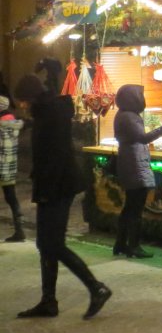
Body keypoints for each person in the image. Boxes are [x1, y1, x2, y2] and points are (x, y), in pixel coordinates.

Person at [13, 73, 111, 319]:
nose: (22, 106)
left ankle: (96, 287)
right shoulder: (45, 113)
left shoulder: (51, 116)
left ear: (33, 97)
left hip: (57, 189)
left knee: (52, 244)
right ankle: (49, 301)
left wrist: (46, 192)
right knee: (45, 245)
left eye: (24, 100)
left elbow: (55, 158)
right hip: (51, 187)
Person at [112, 84, 162, 258]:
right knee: (135, 208)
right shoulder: (130, 117)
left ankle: (120, 244)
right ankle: (133, 246)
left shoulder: (122, 115)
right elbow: (143, 138)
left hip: (129, 162)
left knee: (129, 207)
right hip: (135, 164)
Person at [1, 94, 27, 241]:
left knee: (10, 198)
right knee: (11, 198)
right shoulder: (12, 124)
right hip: (9, 166)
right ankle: (19, 229)